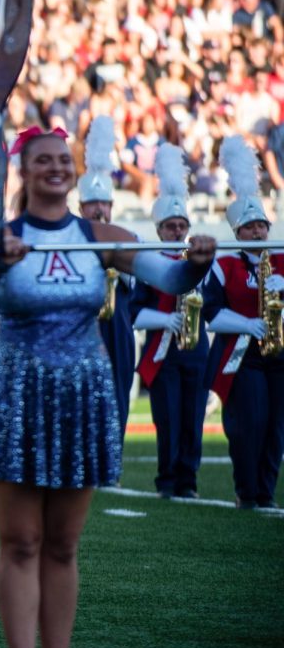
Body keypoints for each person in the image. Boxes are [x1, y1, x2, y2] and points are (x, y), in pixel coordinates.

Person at [0, 128, 215, 648]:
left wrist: (196, 263)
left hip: (82, 394)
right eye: (42, 161)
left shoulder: (103, 236)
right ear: (24, 173)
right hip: (16, 392)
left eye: (62, 160)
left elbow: (169, 275)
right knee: (21, 539)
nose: (55, 167)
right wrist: (0, 261)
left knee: (63, 543)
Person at [202, 136, 284, 509]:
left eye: (261, 226)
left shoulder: (281, 262)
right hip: (242, 355)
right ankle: (245, 490)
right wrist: (248, 324)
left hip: (278, 353)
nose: (257, 232)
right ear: (238, 233)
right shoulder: (225, 265)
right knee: (249, 423)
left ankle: (264, 492)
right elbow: (212, 315)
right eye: (250, 227)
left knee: (275, 428)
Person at [131, 144, 210, 500]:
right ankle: (167, 479)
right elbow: (134, 313)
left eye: (182, 225)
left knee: (193, 417)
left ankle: (188, 480)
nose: (177, 230)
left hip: (196, 349)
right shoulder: (149, 262)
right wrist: (167, 318)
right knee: (168, 418)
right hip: (163, 350)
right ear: (160, 229)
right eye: (171, 226)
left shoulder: (202, 262)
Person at [77, 116, 136, 438]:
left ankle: (112, 460)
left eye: (104, 203)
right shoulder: (74, 238)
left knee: (119, 391)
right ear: (80, 206)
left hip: (118, 326)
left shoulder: (125, 237)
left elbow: (139, 283)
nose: (99, 209)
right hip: (85, 327)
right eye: (92, 204)